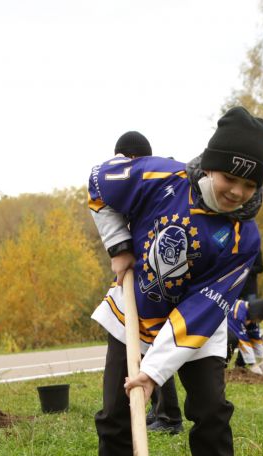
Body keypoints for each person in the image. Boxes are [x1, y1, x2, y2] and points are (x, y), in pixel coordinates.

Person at [88, 106, 263, 456]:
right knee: (115, 412)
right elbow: (98, 183)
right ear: (210, 163)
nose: (238, 192)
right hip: (135, 309)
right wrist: (118, 246)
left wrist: (152, 374)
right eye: (231, 176)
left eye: (250, 185)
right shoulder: (158, 179)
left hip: (196, 329)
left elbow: (200, 311)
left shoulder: (242, 239)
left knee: (211, 413)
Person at [113, 131, 185, 436]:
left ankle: (169, 417)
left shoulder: (158, 184)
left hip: (164, 280)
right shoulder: (140, 185)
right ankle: (163, 414)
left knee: (156, 346)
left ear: (132, 158)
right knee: (149, 346)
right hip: (148, 276)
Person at [226, 298, 263, 373]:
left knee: (247, 338)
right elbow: (243, 340)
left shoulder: (251, 316)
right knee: (233, 339)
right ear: (257, 313)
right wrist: (253, 364)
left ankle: (239, 367)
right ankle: (221, 367)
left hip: (231, 330)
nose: (260, 321)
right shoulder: (238, 313)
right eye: (260, 319)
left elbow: (256, 339)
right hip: (214, 328)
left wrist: (262, 360)